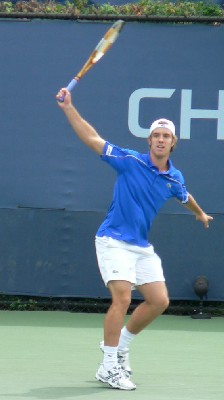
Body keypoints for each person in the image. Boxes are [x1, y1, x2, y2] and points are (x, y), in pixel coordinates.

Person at [56, 88, 213, 391]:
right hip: (113, 239)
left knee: (159, 300)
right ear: (149, 140)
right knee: (123, 297)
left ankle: (121, 346)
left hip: (140, 246)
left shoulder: (173, 178)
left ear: (173, 142)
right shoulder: (130, 161)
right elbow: (92, 139)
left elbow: (185, 196)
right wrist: (68, 108)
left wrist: (200, 213)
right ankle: (109, 366)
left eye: (166, 136)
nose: (160, 139)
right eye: (156, 135)